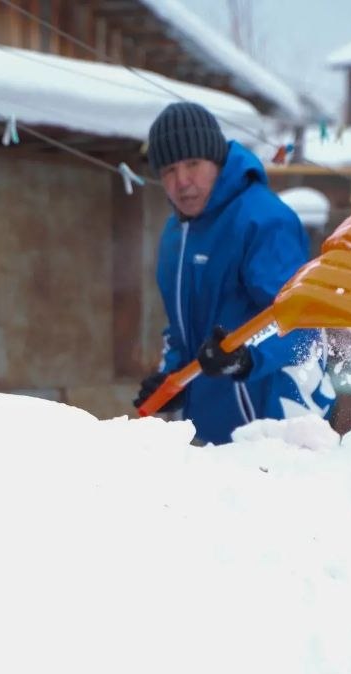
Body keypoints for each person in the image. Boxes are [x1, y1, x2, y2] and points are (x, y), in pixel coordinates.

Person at [133, 102, 335, 445]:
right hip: (217, 431)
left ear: (217, 160)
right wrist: (173, 381)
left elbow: (300, 323)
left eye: (193, 164)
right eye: (168, 170)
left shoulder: (263, 220)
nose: (182, 181)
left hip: (278, 423)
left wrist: (245, 358)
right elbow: (183, 328)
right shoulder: (176, 234)